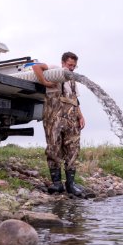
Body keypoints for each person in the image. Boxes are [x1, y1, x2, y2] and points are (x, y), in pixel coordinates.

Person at [32, 52, 86, 197]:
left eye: (74, 66)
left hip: (71, 118)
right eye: (70, 65)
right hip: (54, 116)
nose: (72, 68)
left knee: (73, 149)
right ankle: (57, 184)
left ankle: (71, 184)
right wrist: (45, 82)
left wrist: (80, 116)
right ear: (63, 63)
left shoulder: (73, 79)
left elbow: (75, 99)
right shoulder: (55, 69)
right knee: (53, 147)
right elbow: (36, 67)